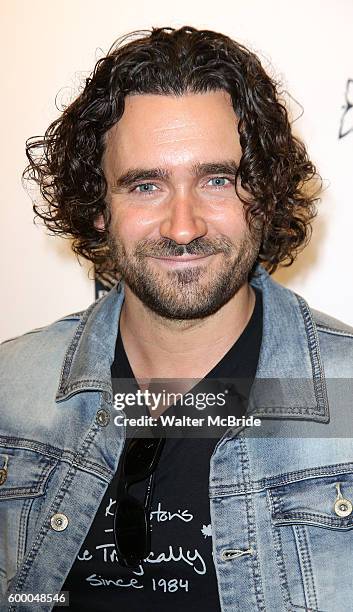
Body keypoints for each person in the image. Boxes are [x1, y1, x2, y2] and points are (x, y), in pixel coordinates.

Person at [1, 25, 353, 612]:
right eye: (145, 185)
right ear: (96, 209)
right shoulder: (12, 391)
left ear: (263, 195)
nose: (183, 226)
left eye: (217, 180)